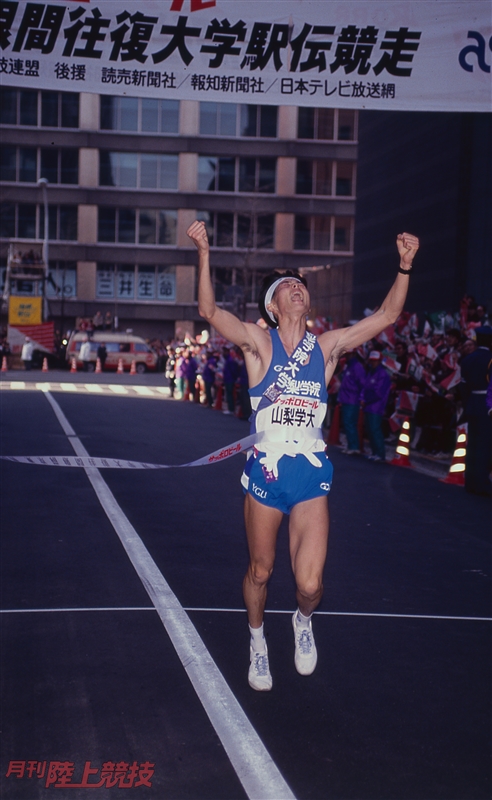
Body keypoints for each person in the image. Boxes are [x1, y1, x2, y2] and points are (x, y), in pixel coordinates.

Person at [187, 219, 419, 691]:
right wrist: (205, 252)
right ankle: (257, 642)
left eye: (301, 285)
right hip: (266, 473)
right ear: (272, 305)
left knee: (310, 585)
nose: (297, 289)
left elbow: (386, 318)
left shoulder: (327, 347)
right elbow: (209, 311)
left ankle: (302, 622)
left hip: (311, 473)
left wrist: (404, 266)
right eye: (287, 286)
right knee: (261, 569)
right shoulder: (259, 343)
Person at [459, 326, 492, 496]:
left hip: (472, 403)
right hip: (487, 405)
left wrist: (467, 405)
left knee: (472, 445)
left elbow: (463, 387)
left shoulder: (468, 359)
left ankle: (470, 481)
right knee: (485, 446)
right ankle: (481, 483)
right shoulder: (490, 360)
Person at [362, 351, 392, 461]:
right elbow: (365, 387)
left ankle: (380, 453)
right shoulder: (371, 372)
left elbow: (378, 393)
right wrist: (363, 398)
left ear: (379, 361)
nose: (373, 363)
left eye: (375, 361)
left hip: (376, 407)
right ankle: (375, 452)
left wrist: (366, 400)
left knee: (375, 429)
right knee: (370, 430)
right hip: (369, 406)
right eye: (372, 361)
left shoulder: (382, 374)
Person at [337, 350, 366, 454]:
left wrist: (361, 398)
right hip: (346, 399)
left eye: (349, 354)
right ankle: (351, 445)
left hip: (353, 400)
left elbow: (362, 384)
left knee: (350, 423)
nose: (347, 356)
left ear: (354, 354)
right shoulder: (348, 366)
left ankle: (354, 447)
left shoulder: (357, 367)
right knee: (347, 423)